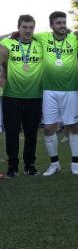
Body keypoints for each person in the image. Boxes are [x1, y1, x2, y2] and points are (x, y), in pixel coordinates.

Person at [34, 11, 78, 176]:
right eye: (58, 23)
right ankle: (54, 164)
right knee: (48, 128)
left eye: (64, 22)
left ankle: (75, 164)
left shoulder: (75, 38)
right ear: (51, 26)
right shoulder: (42, 38)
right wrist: (16, 33)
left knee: (74, 126)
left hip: (72, 89)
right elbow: (26, 34)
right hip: (50, 90)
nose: (62, 25)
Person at [0, 15, 43, 177]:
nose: (28, 30)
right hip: (12, 96)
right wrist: (10, 35)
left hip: (34, 96)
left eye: (31, 27)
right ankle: (12, 166)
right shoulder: (7, 43)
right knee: (11, 133)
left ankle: (30, 165)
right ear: (18, 28)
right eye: (24, 27)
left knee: (31, 133)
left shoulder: (40, 45)